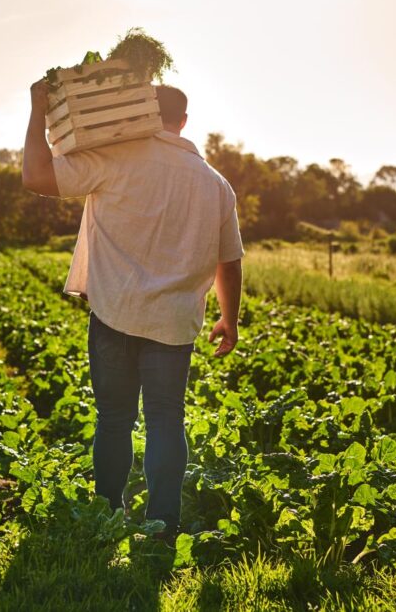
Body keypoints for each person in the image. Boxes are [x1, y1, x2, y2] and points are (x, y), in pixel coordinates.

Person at [22, 79, 243, 538]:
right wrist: (230, 319)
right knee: (166, 419)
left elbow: (36, 178)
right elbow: (229, 259)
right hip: (174, 322)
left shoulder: (115, 158)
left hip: (114, 311)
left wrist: (38, 110)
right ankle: (163, 525)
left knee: (114, 418)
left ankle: (107, 514)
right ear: (183, 122)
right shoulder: (215, 184)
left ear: (139, 110)